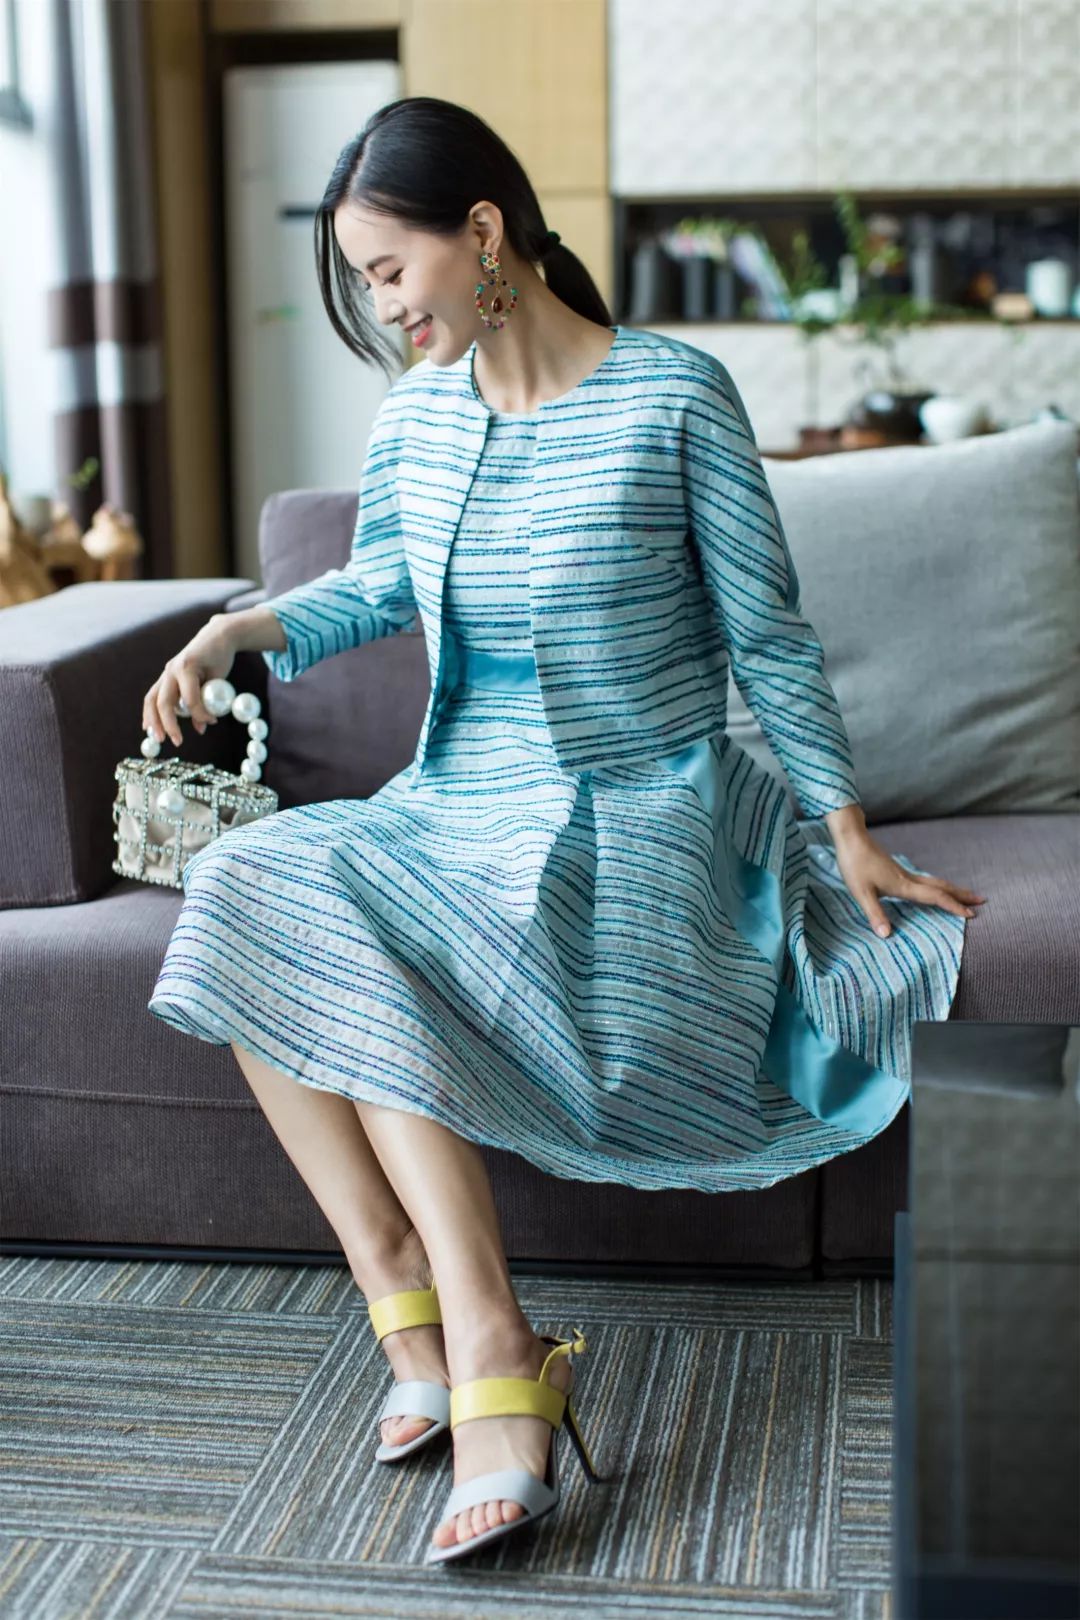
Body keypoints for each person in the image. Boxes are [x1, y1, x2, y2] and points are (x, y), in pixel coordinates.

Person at [143, 97, 986, 1564]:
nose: (379, 308)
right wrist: (238, 629)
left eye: (388, 271)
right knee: (246, 882)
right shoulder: (420, 416)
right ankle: (415, 1300)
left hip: (641, 811)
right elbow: (380, 585)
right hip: (457, 802)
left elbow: (767, 638)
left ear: (483, 235)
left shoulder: (673, 394)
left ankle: (487, 1347)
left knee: (351, 914)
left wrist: (844, 830)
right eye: (361, 281)